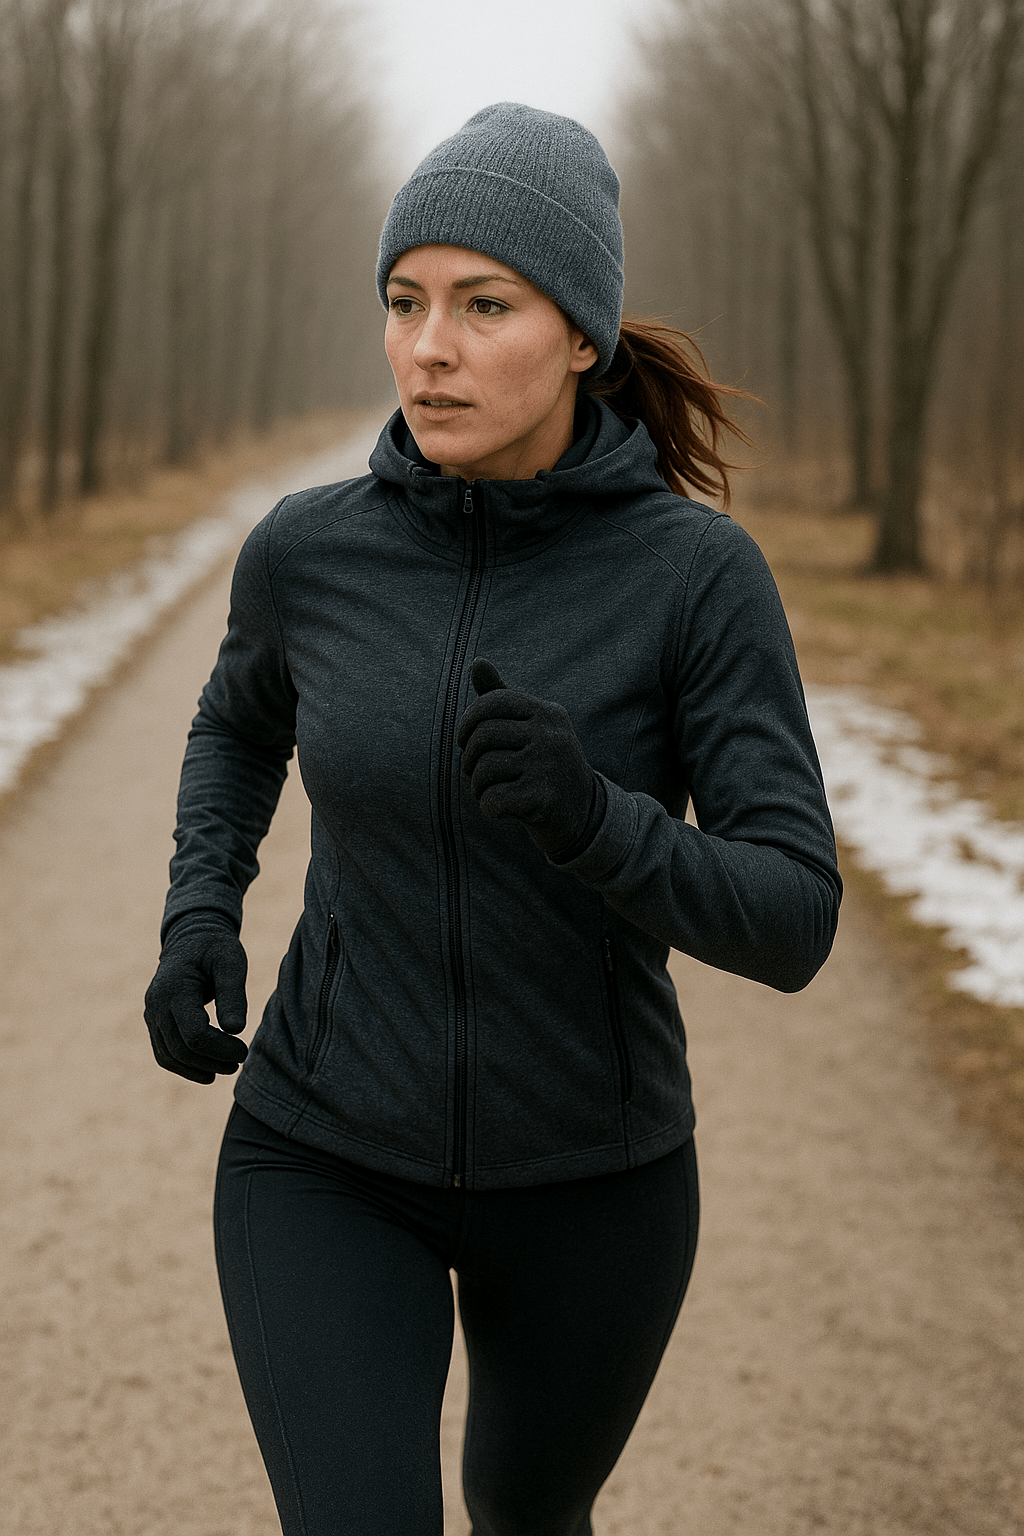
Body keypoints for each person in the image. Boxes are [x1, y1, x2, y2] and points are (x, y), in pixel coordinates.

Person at [144, 103, 841, 1536]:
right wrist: (199, 910)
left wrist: (598, 821)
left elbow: (793, 915)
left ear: (580, 332)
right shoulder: (309, 551)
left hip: (594, 1179)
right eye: (404, 302)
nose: (428, 348)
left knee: (530, 1518)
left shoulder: (695, 580)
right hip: (323, 1146)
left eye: (484, 304)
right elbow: (235, 723)